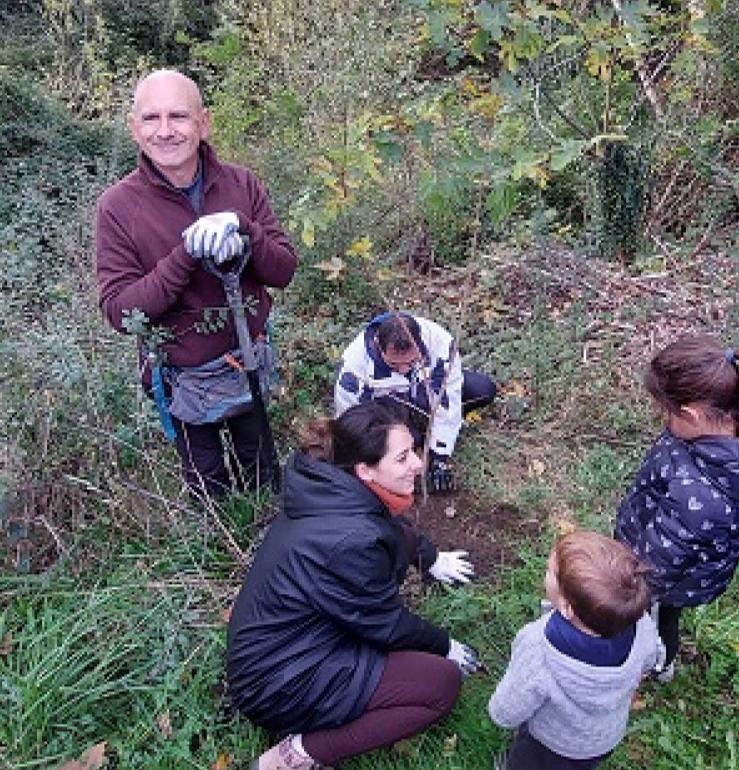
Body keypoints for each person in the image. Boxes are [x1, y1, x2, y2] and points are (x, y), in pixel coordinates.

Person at [226, 401, 480, 770]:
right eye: (403, 457)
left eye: (414, 450)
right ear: (365, 470)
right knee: (440, 686)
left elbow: (392, 529)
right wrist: (446, 646)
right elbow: (386, 624)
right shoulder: (350, 539)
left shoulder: (334, 489)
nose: (418, 464)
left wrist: (432, 559)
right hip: (278, 681)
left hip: (289, 640)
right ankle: (300, 753)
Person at [95, 69, 298, 499]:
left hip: (248, 361)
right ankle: (219, 555)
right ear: (134, 128)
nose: (165, 131)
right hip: (182, 379)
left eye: (179, 116)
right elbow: (119, 310)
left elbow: (282, 270)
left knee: (261, 473)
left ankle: (266, 540)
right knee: (208, 489)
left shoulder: (241, 184)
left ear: (203, 122)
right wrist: (186, 256)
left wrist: (245, 230)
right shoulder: (117, 207)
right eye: (151, 118)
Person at [615, 335, 739, 680]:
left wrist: (626, 585)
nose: (662, 420)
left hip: (665, 580)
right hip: (660, 545)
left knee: (656, 619)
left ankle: (656, 664)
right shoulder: (734, 421)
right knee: (659, 616)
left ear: (690, 415)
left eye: (666, 412)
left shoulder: (704, 500)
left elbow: (661, 563)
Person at [488, 530, 663, 770]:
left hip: (551, 744)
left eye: (551, 572)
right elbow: (654, 658)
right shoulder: (642, 625)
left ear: (568, 608)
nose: (546, 572)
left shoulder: (538, 648)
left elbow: (505, 712)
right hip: (603, 739)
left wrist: (500, 714)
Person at [334, 311, 497, 493]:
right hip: (387, 405)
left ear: (420, 344)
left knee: (482, 390)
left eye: (411, 362)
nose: (403, 369)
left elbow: (448, 399)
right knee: (410, 439)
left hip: (424, 390)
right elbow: (353, 424)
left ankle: (429, 426)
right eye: (394, 365)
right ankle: (412, 431)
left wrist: (439, 457)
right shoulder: (353, 370)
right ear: (378, 345)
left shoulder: (440, 343)